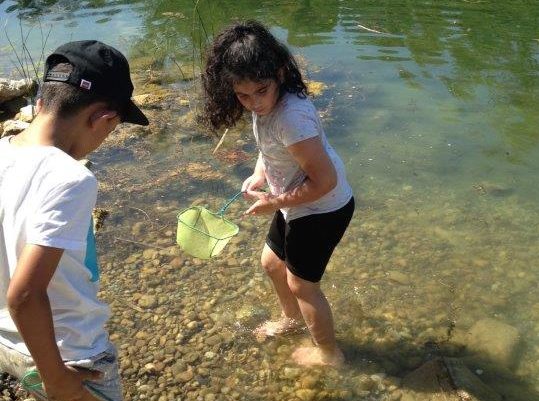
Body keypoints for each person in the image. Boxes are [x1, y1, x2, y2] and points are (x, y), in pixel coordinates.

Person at [0, 40, 149, 401]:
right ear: (103, 118)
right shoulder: (71, 179)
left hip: (11, 343)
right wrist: (56, 378)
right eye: (111, 129)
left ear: (40, 103)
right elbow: (24, 294)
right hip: (71, 353)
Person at [201, 21, 354, 367]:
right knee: (272, 263)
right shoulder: (270, 107)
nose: (254, 103)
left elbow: (325, 181)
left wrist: (274, 202)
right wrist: (259, 176)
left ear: (281, 73)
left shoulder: (292, 119)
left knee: (302, 285)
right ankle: (292, 320)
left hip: (323, 208)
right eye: (242, 95)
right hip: (296, 202)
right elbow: (270, 148)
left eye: (261, 91)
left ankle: (329, 354)